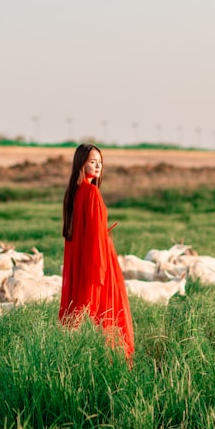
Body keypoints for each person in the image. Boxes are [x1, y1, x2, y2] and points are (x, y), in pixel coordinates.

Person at [59, 143, 135, 361]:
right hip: (97, 262)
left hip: (82, 261)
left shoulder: (74, 193)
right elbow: (93, 236)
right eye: (92, 161)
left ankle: (78, 357)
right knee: (106, 314)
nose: (98, 166)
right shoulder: (91, 192)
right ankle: (113, 360)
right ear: (81, 164)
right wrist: (100, 271)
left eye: (100, 162)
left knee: (79, 317)